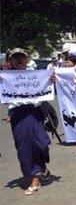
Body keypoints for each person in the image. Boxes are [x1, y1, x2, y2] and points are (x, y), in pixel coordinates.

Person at [2, 48, 52, 195]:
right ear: (10, 61)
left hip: (35, 112)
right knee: (25, 148)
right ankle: (34, 178)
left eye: (21, 58)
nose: (18, 61)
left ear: (27, 59)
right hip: (18, 114)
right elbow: (4, 98)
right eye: (15, 58)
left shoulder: (37, 75)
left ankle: (41, 167)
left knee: (42, 144)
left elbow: (49, 91)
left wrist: (51, 81)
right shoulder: (5, 77)